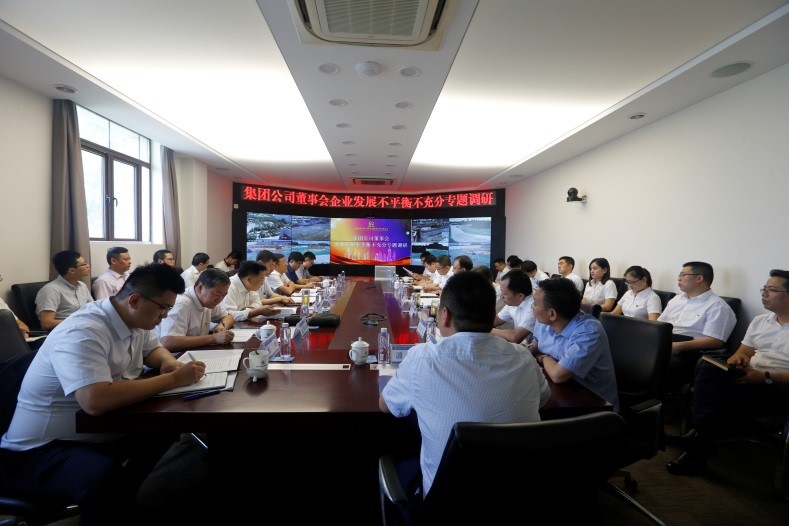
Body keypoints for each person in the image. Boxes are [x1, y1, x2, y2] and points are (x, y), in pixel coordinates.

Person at [0, 263, 206, 524]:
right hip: (37, 451)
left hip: (92, 432)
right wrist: (173, 379)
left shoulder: (134, 319)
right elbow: (95, 400)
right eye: (163, 308)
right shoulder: (84, 331)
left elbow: (152, 349)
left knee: (162, 430)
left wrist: (167, 362)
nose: (165, 316)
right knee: (104, 477)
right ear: (134, 300)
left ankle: (126, 503)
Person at [379, 271, 550, 504]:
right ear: (493, 316)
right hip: (521, 501)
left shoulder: (422, 358)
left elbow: (385, 406)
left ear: (445, 316)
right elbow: (544, 400)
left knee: (402, 463)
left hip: (446, 508)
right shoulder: (524, 358)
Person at [665, 269, 789, 476]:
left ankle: (698, 443)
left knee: (713, 392)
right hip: (750, 375)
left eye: (772, 290)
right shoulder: (761, 321)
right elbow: (743, 352)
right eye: (764, 289)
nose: (764, 294)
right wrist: (737, 360)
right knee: (709, 366)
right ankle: (700, 439)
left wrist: (765, 377)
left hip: (778, 384)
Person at [528, 277, 619, 411]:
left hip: (593, 406)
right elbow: (537, 343)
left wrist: (542, 357)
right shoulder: (545, 321)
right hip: (563, 392)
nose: (532, 308)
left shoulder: (589, 331)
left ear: (552, 314)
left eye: (535, 304)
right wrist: (528, 350)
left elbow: (558, 375)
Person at [658, 261, 736, 387]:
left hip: (690, 353)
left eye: (683, 275)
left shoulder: (718, 306)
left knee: (647, 362)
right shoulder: (676, 300)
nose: (679, 278)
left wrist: (678, 346)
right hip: (665, 344)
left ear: (699, 278)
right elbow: (659, 325)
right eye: (679, 275)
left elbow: (716, 341)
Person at [156, 268, 236, 352]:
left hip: (196, 352)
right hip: (173, 356)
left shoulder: (208, 301)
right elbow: (167, 342)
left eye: (224, 295)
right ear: (200, 287)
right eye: (217, 294)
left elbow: (228, 316)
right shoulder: (182, 304)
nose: (220, 299)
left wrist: (222, 327)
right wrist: (214, 338)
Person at [35, 250, 93, 330]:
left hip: (84, 327)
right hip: (64, 331)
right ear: (72, 270)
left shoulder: (82, 286)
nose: (88, 266)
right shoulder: (51, 290)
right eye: (84, 264)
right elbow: (47, 323)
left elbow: (92, 308)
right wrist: (78, 322)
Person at [492, 269, 536, 344]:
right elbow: (497, 320)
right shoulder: (514, 302)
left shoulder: (533, 307)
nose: (501, 296)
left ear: (520, 296)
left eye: (504, 293)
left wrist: (486, 330)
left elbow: (515, 337)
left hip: (533, 348)